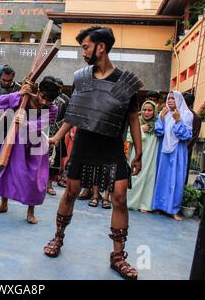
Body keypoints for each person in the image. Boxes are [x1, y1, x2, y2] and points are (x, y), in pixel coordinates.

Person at [43, 26, 143, 280]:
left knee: (119, 198)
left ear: (101, 47)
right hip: (84, 145)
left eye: (86, 46)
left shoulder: (125, 81)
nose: (83, 52)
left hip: (111, 147)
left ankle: (118, 257)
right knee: (72, 192)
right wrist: (56, 137)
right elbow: (74, 113)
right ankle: (58, 237)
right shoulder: (81, 78)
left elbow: (133, 119)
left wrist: (138, 153)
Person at [0, 76, 59, 224]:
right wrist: (19, 94)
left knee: (34, 177)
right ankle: (3, 204)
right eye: (43, 97)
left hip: (36, 144)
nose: (45, 102)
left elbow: (41, 124)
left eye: (49, 100)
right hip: (14, 141)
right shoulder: (24, 99)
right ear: (38, 90)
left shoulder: (52, 108)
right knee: (5, 172)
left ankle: (30, 212)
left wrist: (25, 123)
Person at [153, 91, 193, 221]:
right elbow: (158, 132)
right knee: (162, 177)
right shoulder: (163, 113)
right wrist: (162, 117)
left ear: (179, 100)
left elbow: (186, 135)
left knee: (175, 179)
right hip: (164, 149)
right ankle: (159, 206)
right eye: (168, 98)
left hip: (178, 151)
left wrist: (178, 120)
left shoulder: (187, 115)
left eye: (173, 98)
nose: (170, 101)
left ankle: (173, 209)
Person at [127, 100, 159, 213]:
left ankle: (144, 204)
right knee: (135, 178)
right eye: (144, 110)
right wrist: (141, 129)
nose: (146, 112)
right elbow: (128, 136)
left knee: (148, 178)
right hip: (136, 155)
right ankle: (130, 202)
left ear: (154, 111)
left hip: (151, 156)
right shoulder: (137, 122)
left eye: (150, 110)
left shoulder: (158, 125)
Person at [47, 77, 70, 196]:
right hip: (43, 133)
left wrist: (59, 131)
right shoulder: (45, 96)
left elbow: (68, 118)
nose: (59, 90)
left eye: (60, 88)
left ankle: (49, 184)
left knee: (54, 162)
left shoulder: (66, 100)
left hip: (56, 134)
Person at [182, 92, 202, 185]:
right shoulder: (175, 113)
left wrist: (184, 148)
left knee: (183, 171)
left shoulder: (195, 117)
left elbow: (193, 136)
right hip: (172, 147)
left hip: (185, 149)